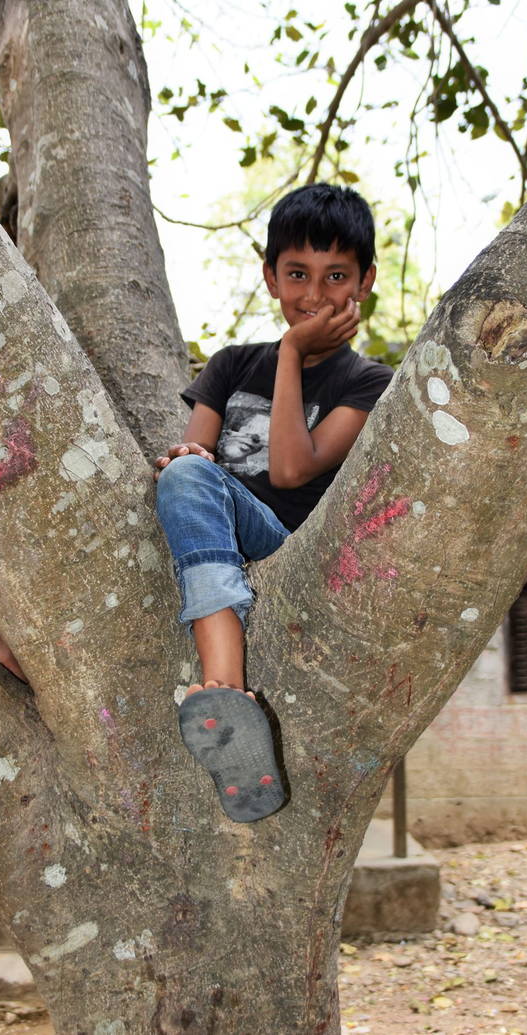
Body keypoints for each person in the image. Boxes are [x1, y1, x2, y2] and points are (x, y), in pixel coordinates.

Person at [155, 183, 394, 823]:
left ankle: (226, 688)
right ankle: (8, 647)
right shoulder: (231, 365)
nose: (314, 295)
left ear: (364, 282)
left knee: (191, 482)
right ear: (270, 277)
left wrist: (291, 352)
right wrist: (180, 464)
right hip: (211, 527)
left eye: (335, 275)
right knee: (177, 480)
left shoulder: (368, 383)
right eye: (297, 274)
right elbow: (192, 457)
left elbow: (291, 471)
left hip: (282, 540)